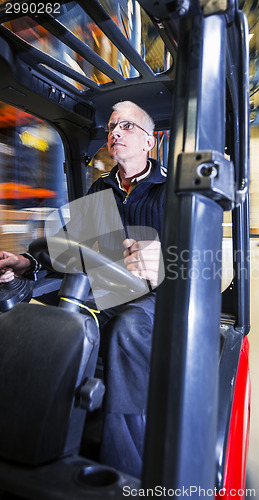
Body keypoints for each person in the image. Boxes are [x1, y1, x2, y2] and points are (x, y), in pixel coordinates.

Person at [0, 101, 167, 478]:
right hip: (105, 288)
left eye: (126, 126)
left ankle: (127, 466)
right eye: (111, 127)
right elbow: (69, 244)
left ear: (148, 142)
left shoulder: (171, 191)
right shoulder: (101, 187)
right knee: (35, 313)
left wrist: (164, 262)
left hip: (160, 296)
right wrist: (28, 263)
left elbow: (196, 260)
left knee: (127, 329)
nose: (115, 133)